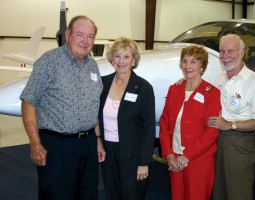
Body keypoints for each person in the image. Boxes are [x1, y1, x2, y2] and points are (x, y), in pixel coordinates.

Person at [20, 15, 105, 200]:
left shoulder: (93, 66)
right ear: (68, 34)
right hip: (58, 146)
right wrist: (35, 143)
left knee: (87, 194)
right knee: (56, 194)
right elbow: (28, 101)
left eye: (90, 36)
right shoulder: (49, 61)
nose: (85, 41)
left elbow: (93, 107)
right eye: (80, 34)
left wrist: (97, 140)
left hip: (88, 144)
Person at [207, 34, 255, 200]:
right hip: (217, 141)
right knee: (219, 191)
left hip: (240, 144)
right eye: (222, 51)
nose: (225, 56)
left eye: (230, 51)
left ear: (242, 53)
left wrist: (230, 125)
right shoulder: (220, 77)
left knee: (238, 193)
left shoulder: (254, 82)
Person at [159, 44, 221, 200]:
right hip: (175, 157)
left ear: (202, 66)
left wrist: (187, 156)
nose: (188, 66)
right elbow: (164, 122)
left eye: (193, 62)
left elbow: (211, 132)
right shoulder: (175, 89)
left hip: (198, 160)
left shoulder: (212, 93)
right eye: (185, 61)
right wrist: (168, 154)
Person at [98, 37, 156, 200]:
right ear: (111, 58)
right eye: (117, 56)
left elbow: (148, 128)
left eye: (126, 56)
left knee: (132, 195)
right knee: (112, 194)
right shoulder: (103, 84)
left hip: (133, 154)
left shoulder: (143, 88)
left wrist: (144, 162)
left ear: (134, 60)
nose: (121, 61)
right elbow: (95, 117)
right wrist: (98, 142)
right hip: (108, 152)